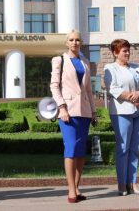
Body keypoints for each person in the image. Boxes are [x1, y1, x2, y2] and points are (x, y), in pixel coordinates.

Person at [50, 29, 97, 203]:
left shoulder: (84, 62)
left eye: (78, 39)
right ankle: (70, 189)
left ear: (81, 42)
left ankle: (76, 187)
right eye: (71, 40)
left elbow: (89, 90)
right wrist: (61, 107)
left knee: (80, 152)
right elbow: (54, 86)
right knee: (70, 149)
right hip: (67, 112)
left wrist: (93, 111)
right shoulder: (59, 60)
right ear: (66, 43)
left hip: (84, 111)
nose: (75, 42)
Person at [103, 39, 139, 196]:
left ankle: (133, 183)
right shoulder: (110, 68)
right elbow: (113, 89)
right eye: (124, 51)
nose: (128, 53)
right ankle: (122, 184)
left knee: (135, 148)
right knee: (123, 149)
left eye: (128, 50)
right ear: (116, 52)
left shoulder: (136, 67)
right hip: (121, 112)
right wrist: (133, 97)